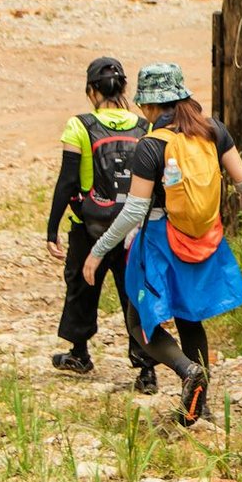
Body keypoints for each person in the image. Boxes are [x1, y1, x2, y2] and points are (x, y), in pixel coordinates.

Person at [83, 63, 242, 426]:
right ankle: (203, 407)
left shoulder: (151, 145)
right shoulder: (213, 130)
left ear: (149, 107)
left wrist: (99, 250)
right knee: (189, 316)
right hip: (202, 238)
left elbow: (134, 210)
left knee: (140, 323)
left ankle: (186, 370)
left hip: (162, 242)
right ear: (182, 95)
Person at [45, 57, 159, 392]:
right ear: (124, 88)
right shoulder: (145, 128)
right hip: (134, 227)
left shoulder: (79, 126)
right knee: (135, 294)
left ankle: (79, 353)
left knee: (81, 287)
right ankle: (146, 369)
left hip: (88, 226)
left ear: (91, 90)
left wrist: (52, 229)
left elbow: (67, 181)